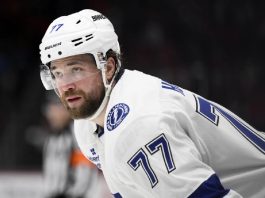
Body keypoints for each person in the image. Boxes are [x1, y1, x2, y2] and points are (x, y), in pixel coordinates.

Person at [38, 9, 265, 198]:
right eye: (57, 73)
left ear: (108, 67)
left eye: (76, 69)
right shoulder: (89, 125)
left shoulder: (139, 127)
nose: (64, 85)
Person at [40, 91, 101, 198]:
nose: (50, 114)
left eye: (54, 109)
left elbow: (84, 175)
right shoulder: (52, 137)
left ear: (65, 109)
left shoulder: (78, 134)